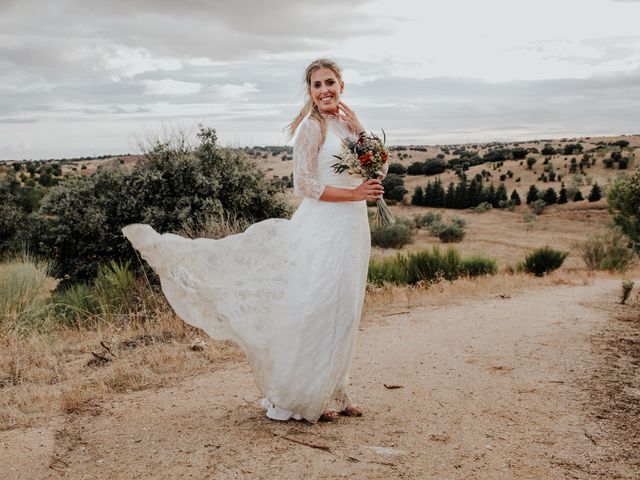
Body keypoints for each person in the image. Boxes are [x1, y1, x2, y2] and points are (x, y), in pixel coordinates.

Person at [121, 57, 386, 423]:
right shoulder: (311, 129)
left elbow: (381, 168)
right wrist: (354, 195)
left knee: (346, 307)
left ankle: (337, 390)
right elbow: (303, 185)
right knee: (319, 306)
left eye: (330, 83)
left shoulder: (347, 126)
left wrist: (359, 130)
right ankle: (306, 393)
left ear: (342, 86)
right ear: (310, 93)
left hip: (354, 229)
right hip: (324, 226)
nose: (324, 90)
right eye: (317, 85)